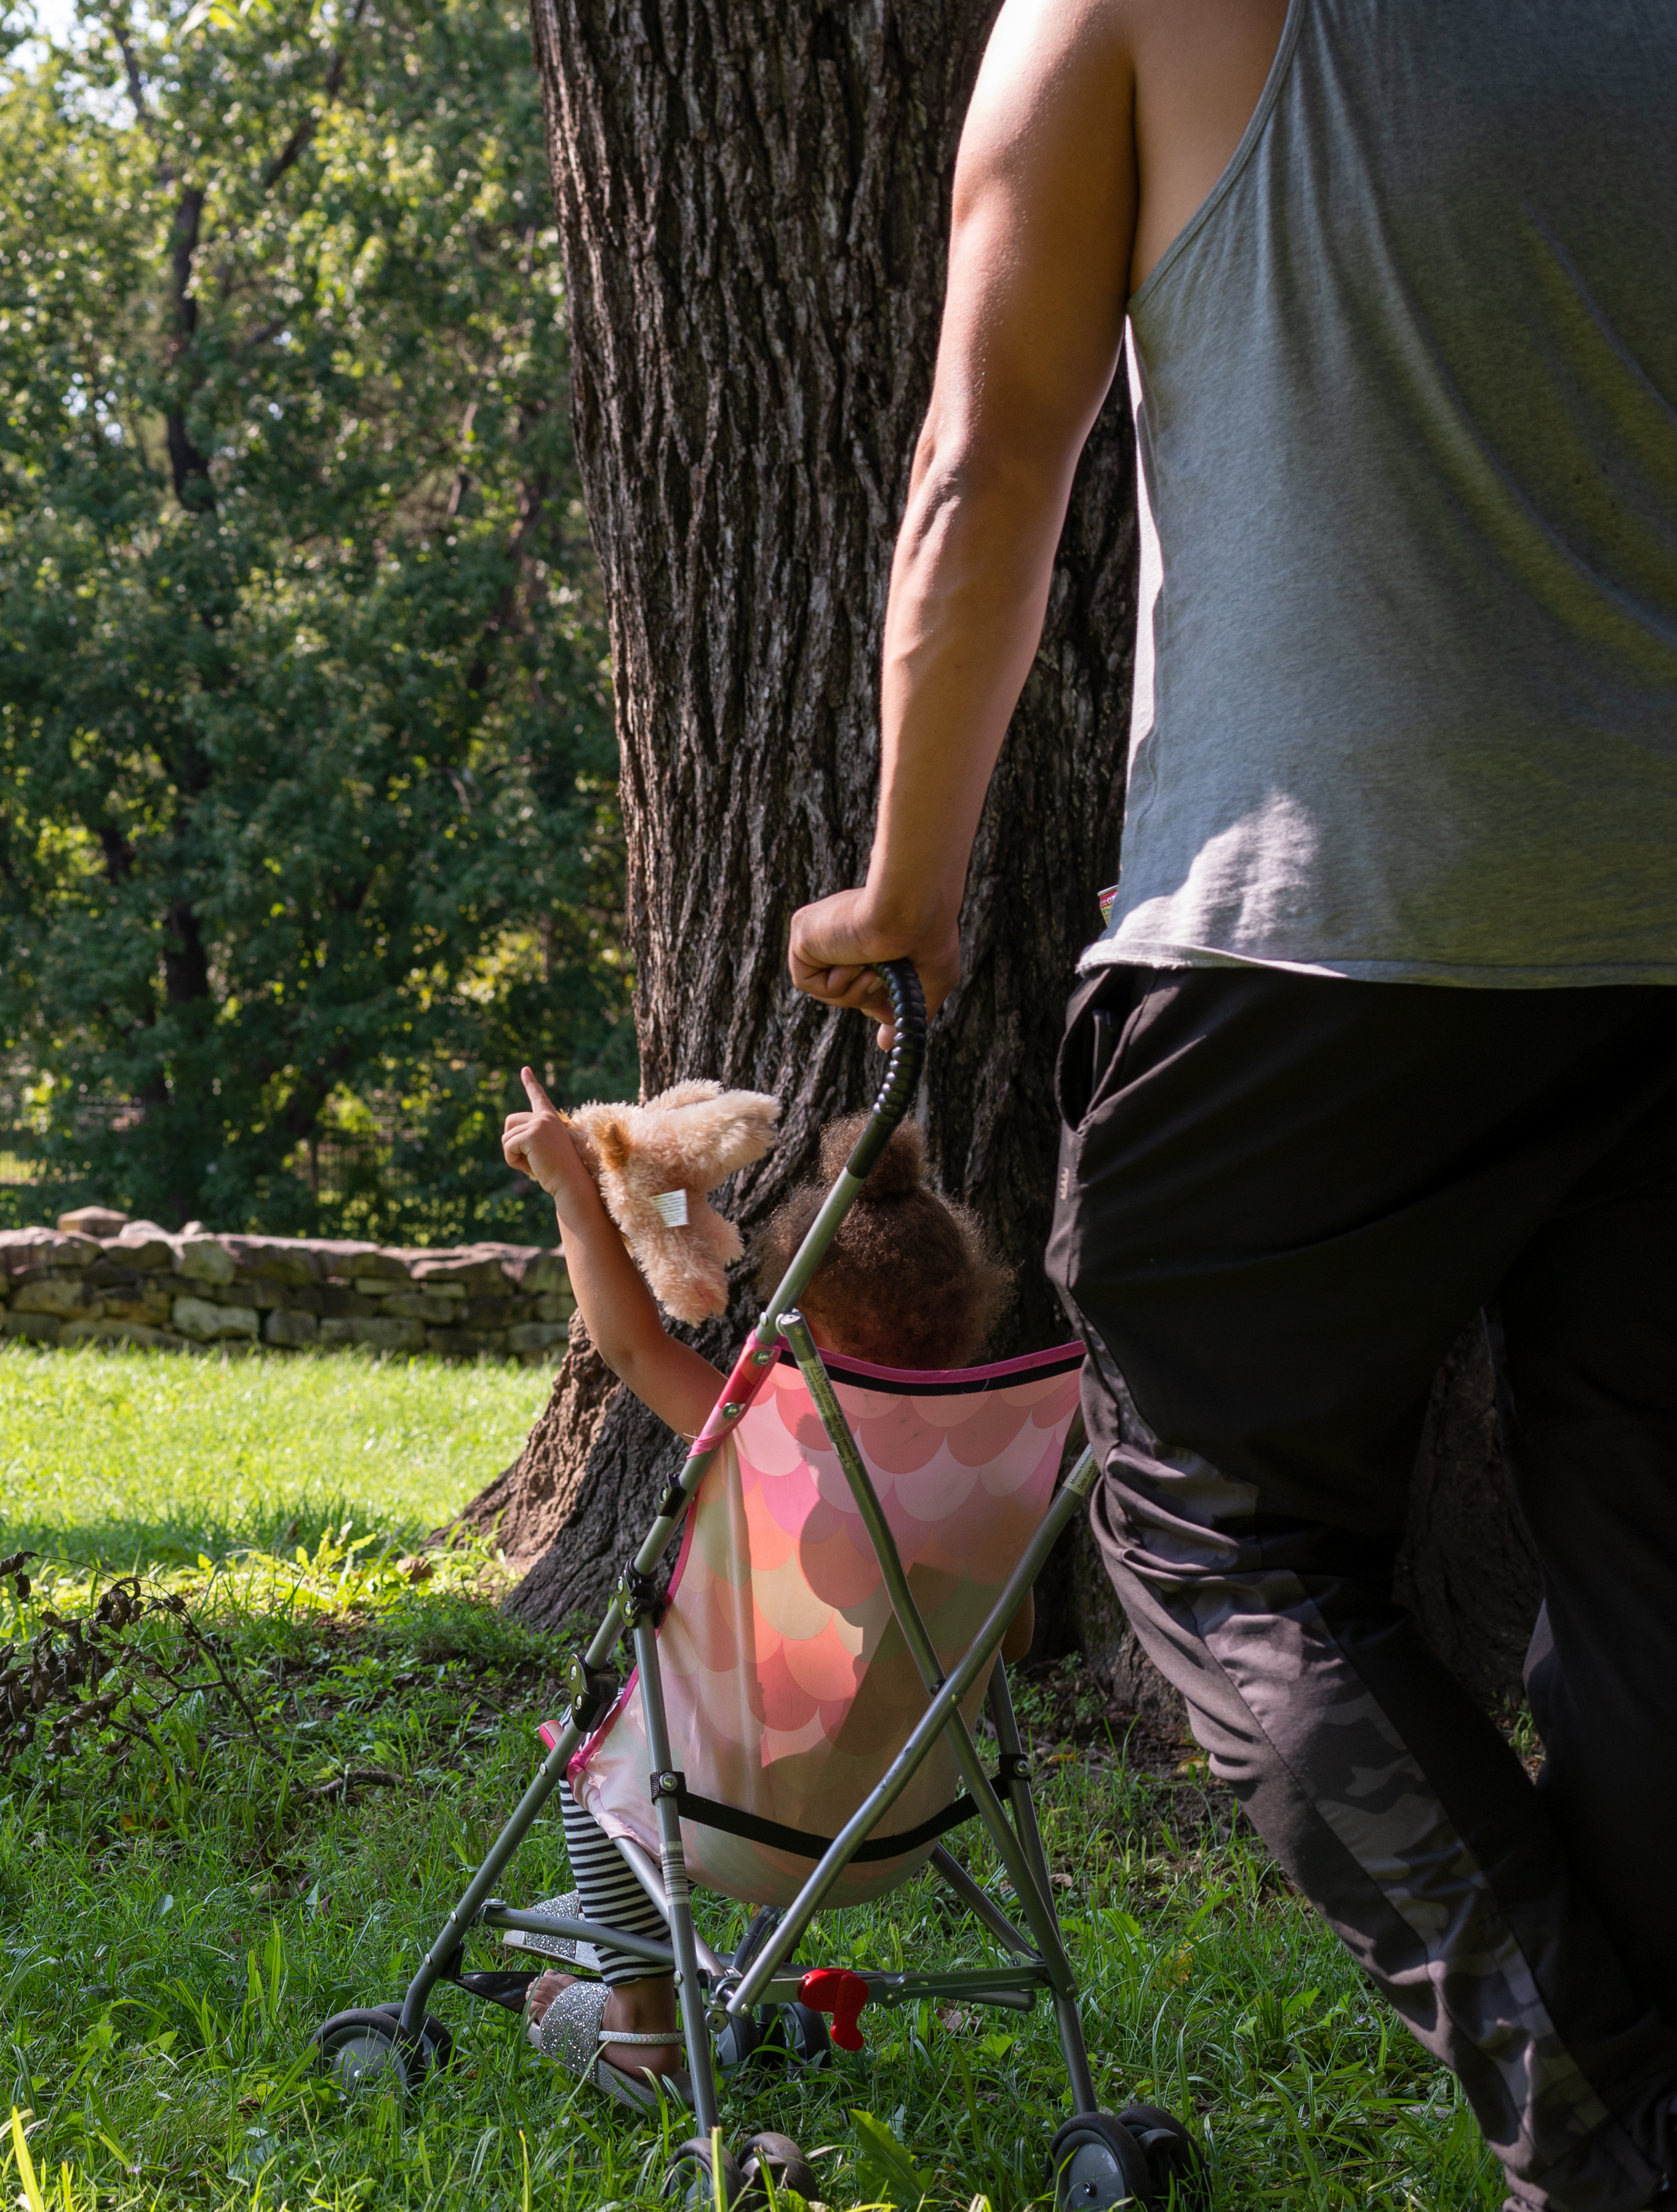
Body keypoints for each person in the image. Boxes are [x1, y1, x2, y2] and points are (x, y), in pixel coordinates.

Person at [781, 2, 1677, 2202]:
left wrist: (907, 885)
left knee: (1216, 1532)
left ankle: (1606, 2119)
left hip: (1313, 921)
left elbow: (986, 471)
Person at [497, 1087, 1017, 2100]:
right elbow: (1017, 1634)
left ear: (797, 1310)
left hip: (727, 1815)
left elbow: (633, 1344)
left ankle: (642, 2024)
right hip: (898, 1827)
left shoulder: (766, 1428)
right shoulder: (992, 1478)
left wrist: (570, 1185)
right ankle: (729, 1988)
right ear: (967, 1311)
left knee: (591, 1739)